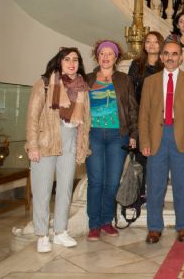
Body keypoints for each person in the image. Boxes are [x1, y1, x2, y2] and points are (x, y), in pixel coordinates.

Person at [25, 47, 91, 253]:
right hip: (45, 142)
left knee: (65, 191)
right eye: (67, 59)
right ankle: (42, 234)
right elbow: (32, 118)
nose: (71, 63)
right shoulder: (44, 84)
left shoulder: (82, 88)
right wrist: (32, 146)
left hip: (70, 143)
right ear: (59, 62)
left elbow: (85, 120)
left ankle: (61, 232)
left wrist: (82, 145)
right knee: (42, 191)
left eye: (75, 60)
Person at [139, 41, 184, 244]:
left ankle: (183, 226)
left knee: (182, 185)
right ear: (161, 57)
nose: (170, 57)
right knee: (155, 185)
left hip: (181, 138)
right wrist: (145, 140)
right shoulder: (150, 81)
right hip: (157, 138)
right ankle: (154, 228)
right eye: (166, 53)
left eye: (174, 54)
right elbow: (144, 115)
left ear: (181, 57)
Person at [86, 40, 138, 241]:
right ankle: (94, 224)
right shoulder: (88, 79)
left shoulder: (124, 80)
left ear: (116, 58)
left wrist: (133, 134)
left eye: (110, 54)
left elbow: (133, 108)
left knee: (112, 181)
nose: (106, 57)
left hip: (118, 135)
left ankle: (107, 221)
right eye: (102, 54)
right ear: (97, 56)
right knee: (96, 181)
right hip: (93, 135)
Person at [128, 31, 165, 205]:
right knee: (141, 158)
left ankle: (156, 195)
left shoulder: (165, 65)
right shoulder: (136, 65)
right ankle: (140, 194)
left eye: (155, 42)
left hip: (160, 118)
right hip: (141, 116)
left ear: (161, 44)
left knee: (157, 159)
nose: (151, 45)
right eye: (148, 41)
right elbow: (129, 92)